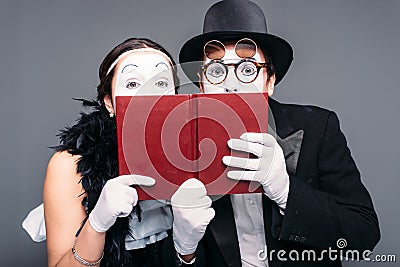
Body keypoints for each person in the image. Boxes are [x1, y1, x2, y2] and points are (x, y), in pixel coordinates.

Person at [166, 1, 380, 266]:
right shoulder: (176, 145)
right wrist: (184, 250)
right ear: (201, 85)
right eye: (217, 71)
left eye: (247, 69)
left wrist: (286, 191)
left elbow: (363, 236)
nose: (231, 85)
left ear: (270, 82)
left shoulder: (319, 127)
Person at [38, 38, 179, 267]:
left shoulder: (193, 156)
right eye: (133, 84)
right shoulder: (68, 166)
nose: (149, 95)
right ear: (109, 103)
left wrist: (188, 247)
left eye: (161, 83)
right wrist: (97, 224)